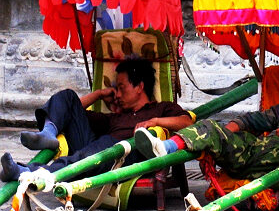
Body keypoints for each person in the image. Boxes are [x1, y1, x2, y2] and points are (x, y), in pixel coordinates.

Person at [134, 63, 279, 185]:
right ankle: (165, 148)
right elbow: (249, 119)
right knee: (210, 126)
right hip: (254, 151)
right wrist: (224, 135)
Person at [0, 58, 193, 181]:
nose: (117, 94)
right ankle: (48, 133)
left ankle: (26, 172)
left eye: (122, 87)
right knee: (68, 96)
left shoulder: (160, 108)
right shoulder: (116, 117)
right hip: (97, 151)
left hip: (122, 156)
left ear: (139, 87)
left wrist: (155, 122)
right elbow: (73, 109)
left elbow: (188, 122)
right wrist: (99, 94)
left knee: (95, 149)